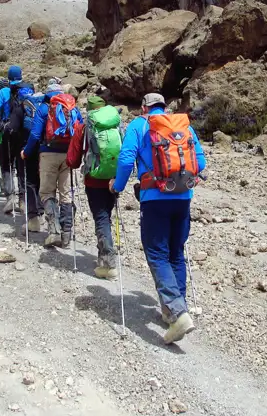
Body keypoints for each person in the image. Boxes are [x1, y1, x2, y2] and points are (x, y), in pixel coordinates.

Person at [110, 92, 206, 345]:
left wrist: (118, 186)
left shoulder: (139, 125)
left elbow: (126, 158)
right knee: (176, 253)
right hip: (183, 198)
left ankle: (177, 313)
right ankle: (174, 308)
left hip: (154, 198)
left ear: (144, 107)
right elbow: (201, 162)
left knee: (156, 253)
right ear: (165, 107)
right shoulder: (183, 127)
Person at [66, 95, 121, 279]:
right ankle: (105, 254)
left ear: (89, 110)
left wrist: (73, 164)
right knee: (107, 214)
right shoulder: (115, 124)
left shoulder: (84, 128)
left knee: (101, 218)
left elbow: (73, 160)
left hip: (94, 180)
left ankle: (108, 263)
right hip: (114, 179)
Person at [21, 82, 81, 248]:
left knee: (47, 191)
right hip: (68, 155)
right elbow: (80, 131)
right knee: (66, 193)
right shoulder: (72, 108)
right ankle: (67, 234)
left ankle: (53, 230)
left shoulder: (44, 109)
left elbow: (34, 134)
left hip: (48, 153)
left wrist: (26, 152)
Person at [0, 65, 30, 209]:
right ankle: (23, 200)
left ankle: (10, 198)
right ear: (21, 75)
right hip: (24, 134)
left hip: (7, 132)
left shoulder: (4, 92)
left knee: (7, 165)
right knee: (22, 166)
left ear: (8, 77)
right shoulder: (27, 90)